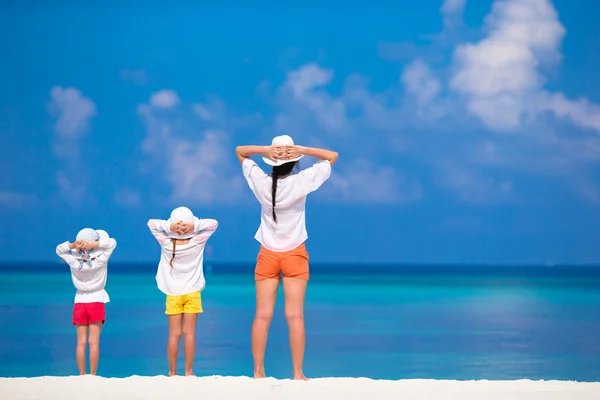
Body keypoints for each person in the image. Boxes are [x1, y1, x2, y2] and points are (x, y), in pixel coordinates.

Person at [235, 135, 338, 380]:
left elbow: (240, 151)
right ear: (294, 162)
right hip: (295, 254)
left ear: (271, 162)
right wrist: (300, 149)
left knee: (262, 316)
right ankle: (298, 373)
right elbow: (332, 156)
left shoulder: (261, 182)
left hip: (267, 254)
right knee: (295, 317)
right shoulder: (302, 181)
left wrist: (267, 149)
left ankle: (258, 372)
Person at [147, 206, 218, 377]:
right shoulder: (198, 241)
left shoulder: (165, 243)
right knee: (190, 333)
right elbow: (213, 224)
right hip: (193, 292)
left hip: (173, 293)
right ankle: (189, 371)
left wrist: (170, 226)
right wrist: (193, 224)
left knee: (174, 333)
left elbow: (151, 224)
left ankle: (172, 372)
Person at [56, 228, 117, 376]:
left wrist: (73, 246)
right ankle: (93, 374)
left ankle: (82, 374)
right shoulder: (101, 259)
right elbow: (112, 243)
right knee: (94, 341)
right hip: (96, 300)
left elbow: (59, 250)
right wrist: (93, 244)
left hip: (80, 301)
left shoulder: (74, 261)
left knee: (81, 342)